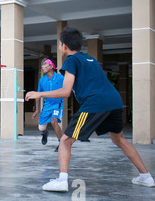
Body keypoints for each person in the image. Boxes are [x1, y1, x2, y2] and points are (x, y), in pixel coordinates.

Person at [25, 27, 154, 191]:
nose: (59, 46)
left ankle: (62, 181)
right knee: (119, 139)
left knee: (65, 140)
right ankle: (146, 177)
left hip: (95, 103)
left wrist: (39, 94)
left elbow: (65, 91)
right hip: (114, 101)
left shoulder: (71, 60)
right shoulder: (90, 59)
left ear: (64, 46)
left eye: (59, 43)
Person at [32, 58, 64, 151]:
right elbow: (38, 95)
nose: (42, 66)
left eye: (44, 64)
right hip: (47, 105)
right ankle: (45, 133)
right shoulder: (42, 80)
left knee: (54, 121)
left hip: (57, 104)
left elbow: (67, 88)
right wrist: (37, 109)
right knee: (41, 127)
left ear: (51, 66)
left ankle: (61, 144)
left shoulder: (60, 78)